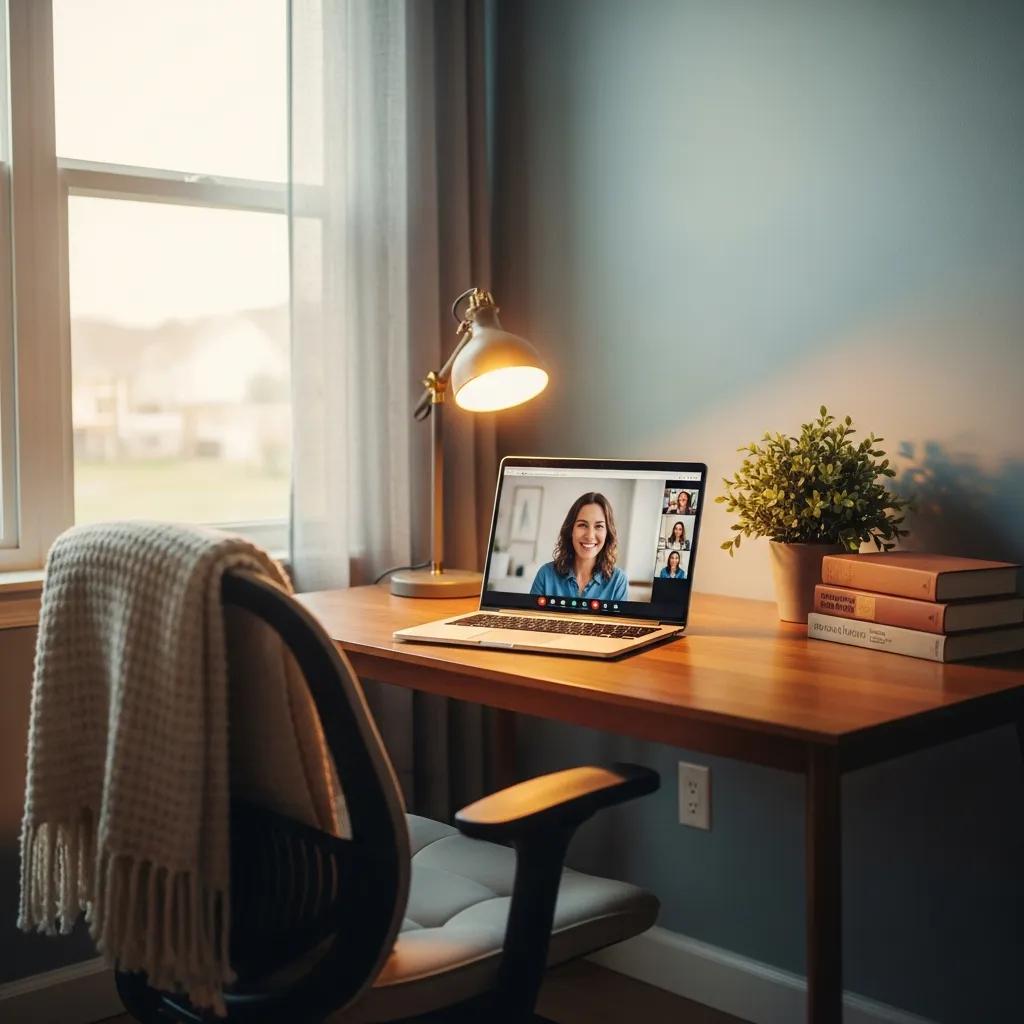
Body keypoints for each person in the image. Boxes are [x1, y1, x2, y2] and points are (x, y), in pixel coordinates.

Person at [529, 492, 628, 601]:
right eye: (582, 525)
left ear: (607, 533)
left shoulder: (618, 580)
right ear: (571, 530)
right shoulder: (546, 575)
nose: (590, 536)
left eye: (599, 526)